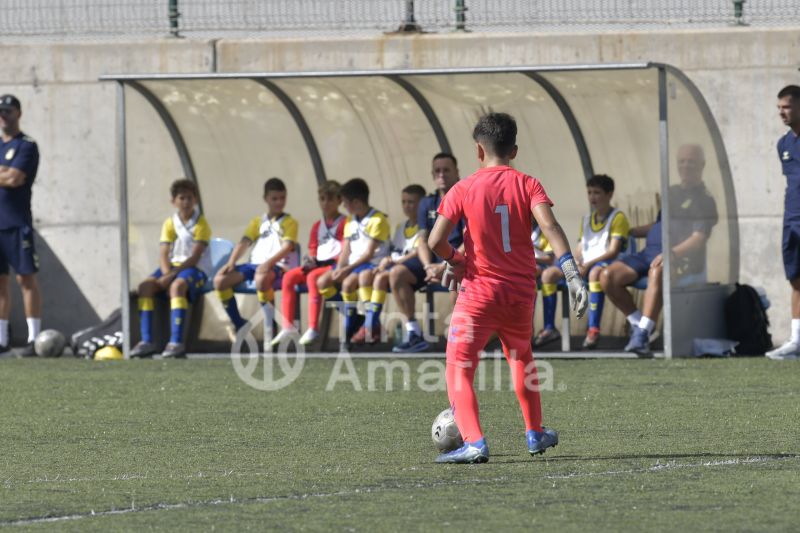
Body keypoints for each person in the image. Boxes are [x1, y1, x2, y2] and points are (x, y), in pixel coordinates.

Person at [427, 112, 588, 464]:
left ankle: (474, 442)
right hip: (519, 295)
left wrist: (456, 259)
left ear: (478, 151)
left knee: (459, 366)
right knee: (521, 358)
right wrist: (572, 274)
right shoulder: (529, 184)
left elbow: (435, 240)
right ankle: (535, 433)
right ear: (513, 150)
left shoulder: (463, 188)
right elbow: (550, 226)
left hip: (478, 294)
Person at [600, 144, 718, 357]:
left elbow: (698, 239)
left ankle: (642, 335)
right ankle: (641, 324)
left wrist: (671, 254)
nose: (686, 165)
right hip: (648, 252)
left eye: (691, 161)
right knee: (607, 276)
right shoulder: (672, 192)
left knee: (658, 270)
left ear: (702, 165)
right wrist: (632, 231)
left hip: (679, 259)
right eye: (682, 161)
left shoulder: (705, 199)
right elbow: (658, 225)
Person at [534, 174, 630, 349]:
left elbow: (613, 251)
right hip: (585, 265)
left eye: (597, 193)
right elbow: (579, 248)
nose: (592, 197)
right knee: (548, 274)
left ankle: (593, 329)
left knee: (594, 274)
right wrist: (576, 262)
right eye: (590, 192)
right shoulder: (586, 219)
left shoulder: (618, 218)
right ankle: (549, 327)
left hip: (606, 265)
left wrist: (589, 264)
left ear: (609, 195)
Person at [130, 179, 212, 359]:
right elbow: (163, 253)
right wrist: (167, 273)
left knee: (177, 287)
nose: (186, 202)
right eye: (182, 198)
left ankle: (176, 342)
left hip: (195, 270)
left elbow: (195, 257)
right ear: (173, 201)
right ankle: (147, 341)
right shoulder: (170, 223)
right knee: (145, 287)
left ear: (196, 200)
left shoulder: (201, 224)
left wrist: (171, 277)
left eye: (189, 198)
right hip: (173, 268)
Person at [390, 153, 464, 353]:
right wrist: (428, 267)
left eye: (446, 170)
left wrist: (445, 264)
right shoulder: (427, 203)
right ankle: (414, 334)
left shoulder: (467, 197)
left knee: (454, 276)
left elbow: (471, 240)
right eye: (437, 171)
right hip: (432, 263)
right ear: (432, 174)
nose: (441, 175)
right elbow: (422, 239)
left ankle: (459, 339)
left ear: (457, 172)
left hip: (458, 261)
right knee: (397, 274)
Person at [214, 178, 298, 346]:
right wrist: (231, 262)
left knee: (261, 279)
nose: (279, 202)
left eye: (282, 198)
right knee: (219, 281)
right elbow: (244, 242)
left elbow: (288, 247)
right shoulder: (257, 222)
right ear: (266, 199)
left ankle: (269, 327)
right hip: (254, 265)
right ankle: (239, 323)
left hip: (276, 266)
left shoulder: (290, 222)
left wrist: (269, 263)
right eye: (275, 198)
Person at [271, 181, 346, 347]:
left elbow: (344, 248)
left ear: (339, 201)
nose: (325, 203)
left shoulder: (344, 223)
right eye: (322, 199)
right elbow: (313, 247)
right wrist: (310, 259)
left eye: (330, 199)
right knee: (289, 277)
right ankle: (288, 326)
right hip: (318, 265)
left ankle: (313, 327)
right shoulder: (317, 225)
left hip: (334, 266)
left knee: (312, 278)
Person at [317, 178, 390, 346]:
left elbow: (369, 253)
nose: (344, 207)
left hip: (370, 264)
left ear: (356, 202)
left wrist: (347, 269)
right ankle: (360, 320)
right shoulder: (351, 220)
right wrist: (341, 267)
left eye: (345, 203)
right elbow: (346, 249)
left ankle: (358, 328)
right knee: (323, 282)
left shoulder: (378, 220)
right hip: (354, 266)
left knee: (348, 284)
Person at [351, 183, 426, 345]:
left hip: (413, 270)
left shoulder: (424, 225)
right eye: (404, 202)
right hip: (396, 267)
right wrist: (386, 260)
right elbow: (394, 251)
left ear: (422, 204)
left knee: (381, 278)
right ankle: (372, 323)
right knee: (368, 276)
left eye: (411, 202)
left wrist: (393, 261)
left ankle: (370, 325)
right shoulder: (401, 226)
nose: (406, 206)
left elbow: (417, 252)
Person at [0, 94, 41, 357]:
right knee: (0, 282)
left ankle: (34, 340)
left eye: (9, 111)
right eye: (1, 111)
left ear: (19, 113)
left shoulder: (27, 145)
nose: (4, 115)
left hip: (17, 222)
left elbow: (15, 178)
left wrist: (8, 174)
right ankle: (1, 339)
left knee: (25, 278)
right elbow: (7, 174)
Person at [766, 85, 800, 360]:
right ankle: (797, 341)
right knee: (796, 278)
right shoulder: (784, 144)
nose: (781, 113)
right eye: (779, 108)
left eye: (786, 107)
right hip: (792, 220)